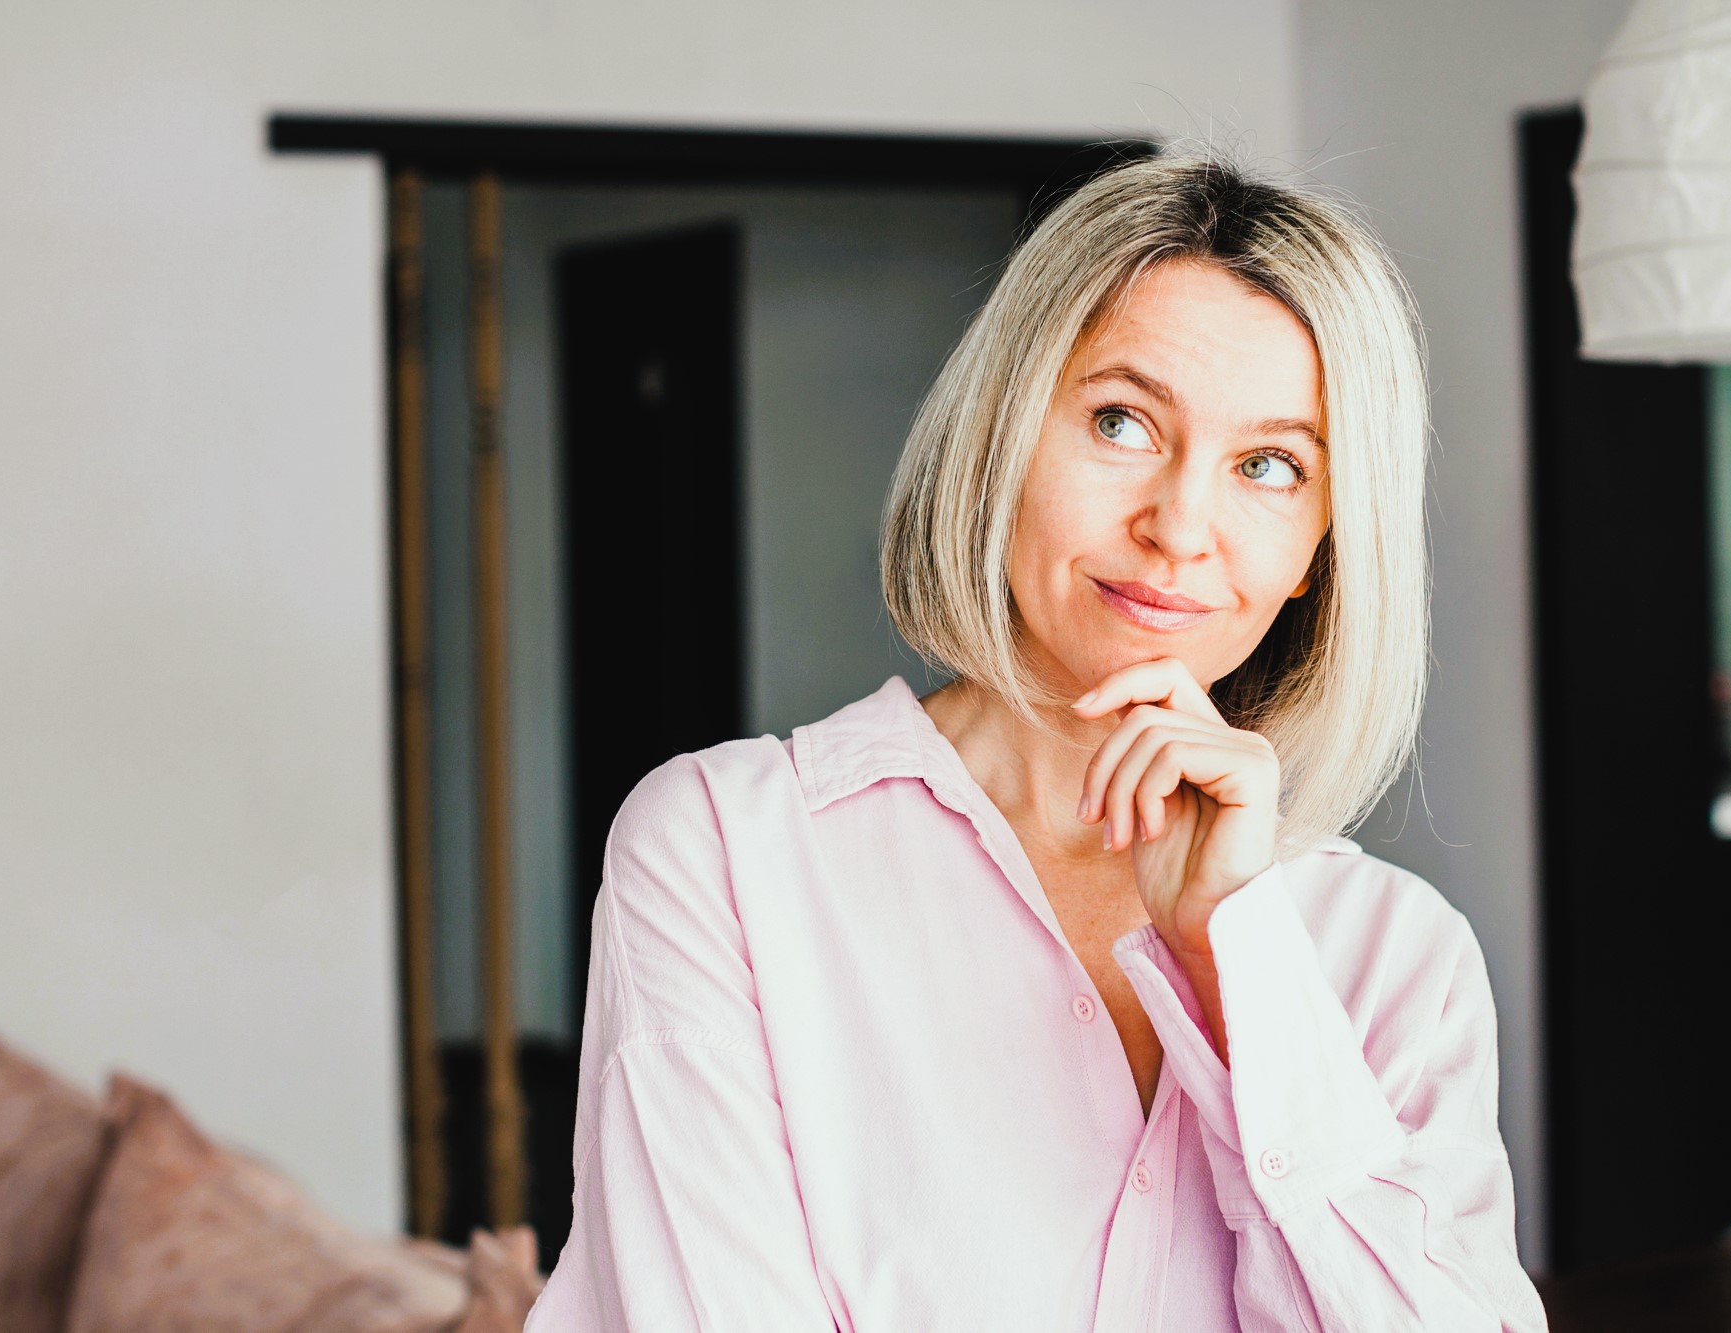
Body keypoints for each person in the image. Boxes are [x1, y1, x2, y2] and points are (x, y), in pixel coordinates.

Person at [525, 152, 1549, 1331]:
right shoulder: (724, 854)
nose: (1177, 526)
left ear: (1321, 546)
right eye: (1121, 421)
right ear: (1003, 434)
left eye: (1269, 466)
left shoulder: (1396, 959)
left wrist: (1237, 968)